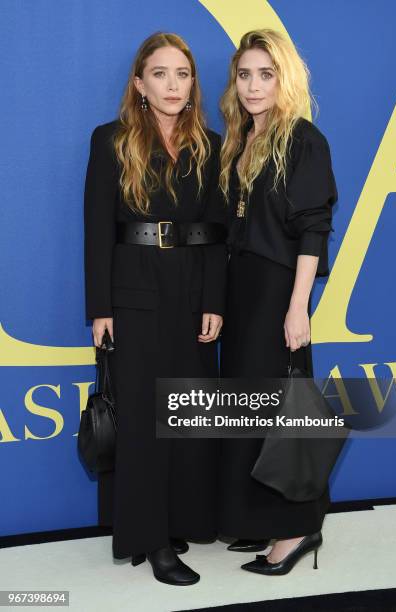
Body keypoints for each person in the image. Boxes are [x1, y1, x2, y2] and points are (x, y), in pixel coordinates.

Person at [83, 32, 227, 586]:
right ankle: (152, 539)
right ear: (139, 84)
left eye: (183, 74)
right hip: (133, 293)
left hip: (191, 291)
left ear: (193, 84)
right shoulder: (111, 139)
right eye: (160, 73)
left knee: (188, 414)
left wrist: (214, 299)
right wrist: (101, 307)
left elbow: (216, 231)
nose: (173, 85)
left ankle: (181, 519)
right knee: (145, 417)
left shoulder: (210, 144)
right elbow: (97, 228)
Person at [217, 29, 338, 575]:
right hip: (242, 291)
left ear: (284, 77)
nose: (253, 85)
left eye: (265, 74)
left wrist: (298, 307)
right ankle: (262, 520)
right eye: (245, 74)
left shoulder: (303, 139)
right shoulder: (239, 139)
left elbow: (313, 230)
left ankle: (295, 531)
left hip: (277, 291)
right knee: (248, 409)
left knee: (284, 412)